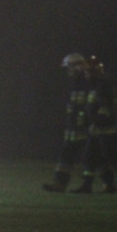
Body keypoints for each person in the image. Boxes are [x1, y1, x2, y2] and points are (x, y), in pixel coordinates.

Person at [70, 55, 117, 193]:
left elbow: (105, 107)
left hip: (105, 129)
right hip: (98, 128)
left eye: (89, 71)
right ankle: (88, 185)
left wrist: (97, 123)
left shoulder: (103, 85)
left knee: (113, 158)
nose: (87, 74)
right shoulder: (95, 85)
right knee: (90, 157)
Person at [43, 53, 89, 192]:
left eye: (69, 67)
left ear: (77, 67)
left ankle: (111, 183)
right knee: (66, 155)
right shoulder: (73, 83)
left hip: (86, 128)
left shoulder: (87, 82)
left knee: (95, 158)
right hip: (74, 128)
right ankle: (59, 183)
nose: (68, 71)